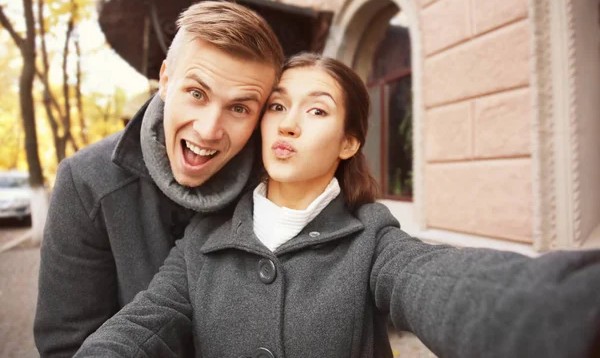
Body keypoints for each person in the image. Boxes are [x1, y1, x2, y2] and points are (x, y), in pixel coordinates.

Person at [74, 53, 600, 358]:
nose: (288, 123)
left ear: (349, 141)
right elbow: (142, 325)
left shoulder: (373, 240)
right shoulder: (201, 240)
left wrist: (564, 310)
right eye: (277, 105)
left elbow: (444, 282)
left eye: (316, 110)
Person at [34, 0, 284, 357]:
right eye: (196, 94)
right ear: (166, 81)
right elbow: (66, 346)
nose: (209, 129)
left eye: (239, 108)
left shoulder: (276, 186)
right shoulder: (87, 181)